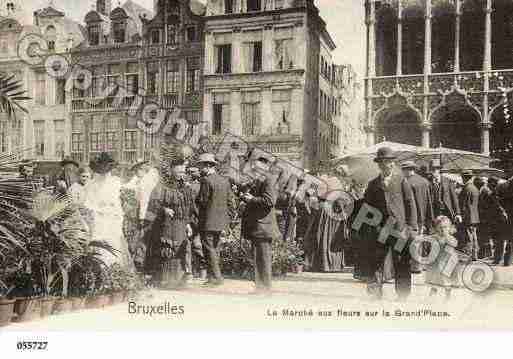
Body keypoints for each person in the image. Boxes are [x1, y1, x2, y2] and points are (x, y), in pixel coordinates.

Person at [361, 147, 418, 300]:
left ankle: (403, 294)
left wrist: (412, 227)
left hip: (399, 229)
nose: (386, 165)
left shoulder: (401, 181)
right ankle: (375, 293)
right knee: (376, 261)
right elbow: (367, 207)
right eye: (382, 163)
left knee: (401, 261)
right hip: (379, 229)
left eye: (389, 162)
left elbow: (410, 203)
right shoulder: (373, 184)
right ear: (378, 165)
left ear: (393, 164)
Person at [145, 161, 196, 289]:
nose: (182, 175)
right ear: (172, 170)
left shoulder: (186, 187)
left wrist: (188, 224)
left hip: (181, 224)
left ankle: (178, 280)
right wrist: (164, 210)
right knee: (166, 249)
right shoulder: (162, 186)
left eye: (183, 172)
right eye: (179, 172)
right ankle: (164, 279)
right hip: (165, 225)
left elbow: (189, 208)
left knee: (181, 250)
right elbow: (153, 203)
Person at [240, 151, 281, 293]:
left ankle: (264, 288)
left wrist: (251, 199)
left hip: (263, 226)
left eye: (256, 169)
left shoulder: (268, 180)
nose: (254, 172)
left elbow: (270, 201)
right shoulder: (260, 180)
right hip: (259, 226)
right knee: (259, 259)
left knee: (263, 259)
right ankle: (260, 287)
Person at [84, 153, 133, 268]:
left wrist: (118, 214)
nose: (104, 173)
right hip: (99, 220)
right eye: (101, 170)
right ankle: (101, 269)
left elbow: (118, 203)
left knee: (114, 243)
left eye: (106, 170)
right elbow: (88, 203)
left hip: (112, 220)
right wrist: (97, 210)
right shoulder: (92, 185)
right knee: (100, 244)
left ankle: (114, 270)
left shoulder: (115, 183)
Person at [196, 153, 234, 286]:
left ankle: (217, 277)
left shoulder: (206, 181)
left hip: (208, 221)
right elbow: (230, 202)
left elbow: (203, 201)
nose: (200, 169)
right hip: (221, 222)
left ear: (207, 166)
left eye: (200, 166)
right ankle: (213, 277)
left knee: (209, 249)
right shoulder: (225, 181)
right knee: (215, 249)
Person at [401, 160, 434, 273]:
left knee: (412, 241)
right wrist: (430, 217)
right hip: (423, 216)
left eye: (403, 170)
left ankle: (415, 266)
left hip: (411, 217)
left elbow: (407, 203)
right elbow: (429, 201)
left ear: (407, 170)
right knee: (421, 239)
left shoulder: (406, 182)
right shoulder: (425, 181)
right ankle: (421, 264)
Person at [425, 216, 459, 301]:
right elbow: (429, 242)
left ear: (449, 228)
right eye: (440, 227)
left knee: (446, 279)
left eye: (445, 227)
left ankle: (448, 296)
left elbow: (455, 244)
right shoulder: (435, 236)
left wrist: (447, 237)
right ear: (436, 228)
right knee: (435, 279)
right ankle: (432, 294)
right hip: (437, 261)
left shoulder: (449, 237)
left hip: (448, 261)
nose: (443, 229)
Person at [185, 166, 206, 280]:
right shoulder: (187, 186)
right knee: (187, 246)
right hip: (188, 219)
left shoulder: (203, 185)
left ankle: (202, 271)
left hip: (198, 220)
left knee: (198, 246)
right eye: (190, 171)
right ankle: (189, 272)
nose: (192, 173)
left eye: (194, 171)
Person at [485, 177, 511, 266]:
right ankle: (506, 260)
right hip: (504, 218)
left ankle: (500, 259)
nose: (487, 184)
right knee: (506, 239)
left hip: (500, 219)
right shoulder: (501, 190)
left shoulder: (496, 191)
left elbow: (498, 204)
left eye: (489, 183)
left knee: (500, 240)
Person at [459, 170, 480, 260]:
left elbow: (464, 204)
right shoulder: (475, 188)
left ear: (465, 178)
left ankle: (469, 254)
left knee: (468, 236)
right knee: (474, 235)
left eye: (462, 177)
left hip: (468, 216)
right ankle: (474, 255)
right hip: (475, 216)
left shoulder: (466, 188)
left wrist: (461, 215)